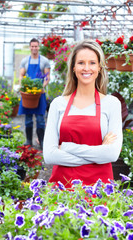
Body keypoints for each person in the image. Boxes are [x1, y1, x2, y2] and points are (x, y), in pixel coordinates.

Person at [43, 39, 123, 188]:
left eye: (92, 63)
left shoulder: (111, 104)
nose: (87, 68)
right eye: (81, 63)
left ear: (99, 67)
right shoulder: (58, 104)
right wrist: (99, 155)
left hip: (99, 190)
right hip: (62, 189)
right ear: (73, 67)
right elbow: (49, 155)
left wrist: (67, 147)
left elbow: (111, 154)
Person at [18, 38, 51, 150]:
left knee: (40, 119)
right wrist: (22, 85)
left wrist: (42, 87)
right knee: (28, 118)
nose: (34, 48)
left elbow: (47, 77)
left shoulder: (44, 61)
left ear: (39, 47)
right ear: (30, 47)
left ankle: (41, 141)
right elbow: (21, 76)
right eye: (32, 46)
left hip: (39, 94)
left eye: (36, 46)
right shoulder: (25, 61)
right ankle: (28, 141)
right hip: (28, 93)